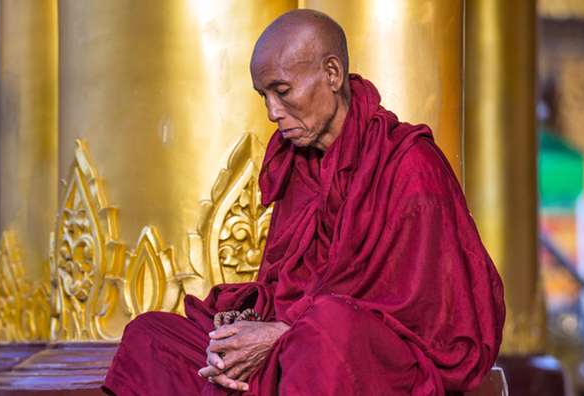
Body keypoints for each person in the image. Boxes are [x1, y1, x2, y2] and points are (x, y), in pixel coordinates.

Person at [103, 9, 505, 396]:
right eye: (264, 96)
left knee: (328, 329)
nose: (272, 112)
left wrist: (287, 331)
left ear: (331, 73)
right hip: (297, 339)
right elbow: (286, 284)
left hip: (359, 351)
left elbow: (426, 315)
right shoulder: (299, 162)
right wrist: (242, 328)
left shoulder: (410, 165)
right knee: (151, 336)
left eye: (282, 91)